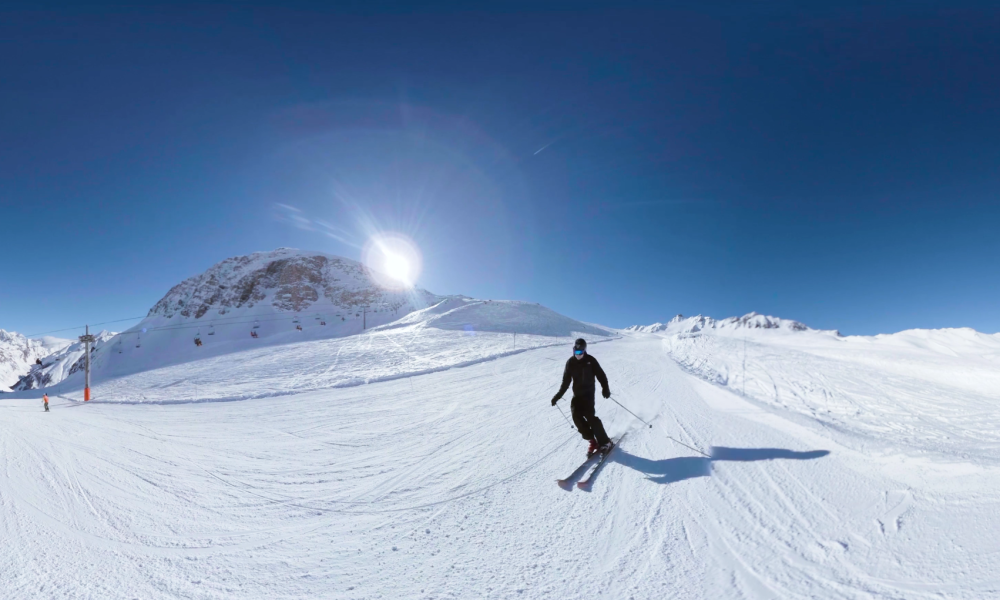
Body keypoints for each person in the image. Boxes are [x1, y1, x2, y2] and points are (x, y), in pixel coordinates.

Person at [551, 338, 613, 455]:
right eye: (576, 352)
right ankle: (592, 441)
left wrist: (605, 388)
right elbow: (565, 382)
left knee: (590, 417)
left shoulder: (591, 361)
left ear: (584, 351)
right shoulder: (570, 363)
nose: (578, 355)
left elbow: (601, 375)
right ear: (573, 350)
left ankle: (605, 442)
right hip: (577, 396)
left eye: (581, 352)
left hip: (588, 395)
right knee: (576, 417)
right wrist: (557, 396)